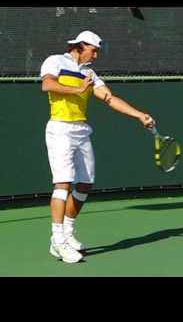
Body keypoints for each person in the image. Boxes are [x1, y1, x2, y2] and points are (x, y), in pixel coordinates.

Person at [41, 31, 155, 263]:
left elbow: (109, 98)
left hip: (81, 131)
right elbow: (47, 84)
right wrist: (77, 90)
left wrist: (139, 115)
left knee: (84, 184)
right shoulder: (55, 61)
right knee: (63, 183)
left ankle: (68, 231)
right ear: (81, 46)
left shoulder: (89, 73)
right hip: (60, 129)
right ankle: (57, 239)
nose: (96, 56)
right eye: (94, 50)